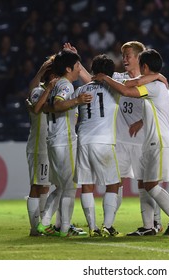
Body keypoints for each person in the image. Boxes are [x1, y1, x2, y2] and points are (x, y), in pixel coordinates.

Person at [65, 41, 163, 235]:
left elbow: (159, 106)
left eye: (128, 56)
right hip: (118, 140)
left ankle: (154, 222)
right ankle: (109, 224)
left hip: (141, 139)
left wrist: (142, 121)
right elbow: (93, 79)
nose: (124, 59)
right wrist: (78, 62)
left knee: (147, 183)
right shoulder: (117, 79)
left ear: (139, 57)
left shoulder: (150, 81)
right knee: (116, 183)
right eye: (123, 55)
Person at [92, 49, 169, 236]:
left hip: (159, 141)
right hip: (150, 142)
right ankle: (149, 226)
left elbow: (126, 89)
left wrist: (104, 78)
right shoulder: (157, 82)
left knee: (150, 185)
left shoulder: (155, 86)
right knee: (145, 185)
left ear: (144, 66)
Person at [36, 49, 92, 237]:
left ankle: (43, 223)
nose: (79, 69)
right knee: (70, 186)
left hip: (53, 140)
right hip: (64, 140)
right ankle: (65, 229)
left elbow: (45, 107)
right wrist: (77, 100)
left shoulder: (55, 84)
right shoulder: (66, 85)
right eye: (77, 66)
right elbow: (59, 104)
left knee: (61, 186)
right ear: (68, 68)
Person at [72, 54, 123, 237]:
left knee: (87, 184)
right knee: (114, 183)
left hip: (83, 139)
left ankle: (92, 227)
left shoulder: (80, 90)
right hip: (103, 140)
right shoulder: (115, 89)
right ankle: (107, 226)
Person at [25, 56, 55, 236]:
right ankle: (35, 228)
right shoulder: (39, 91)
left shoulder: (56, 92)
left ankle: (42, 225)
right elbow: (34, 101)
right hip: (39, 147)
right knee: (37, 186)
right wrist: (42, 71)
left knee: (45, 186)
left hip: (49, 145)